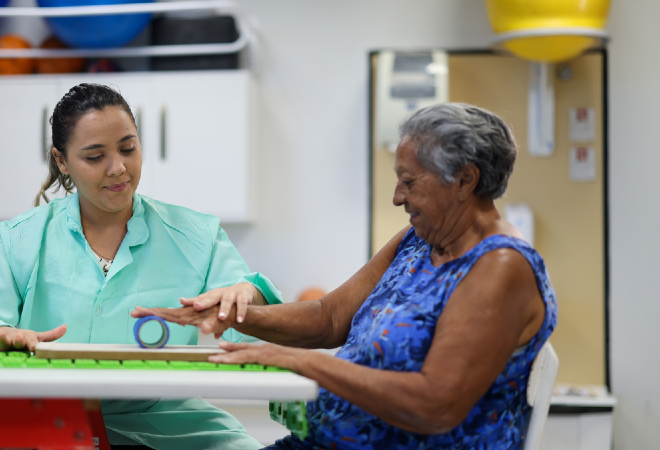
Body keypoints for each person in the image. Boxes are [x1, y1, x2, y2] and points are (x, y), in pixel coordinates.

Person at [133, 103, 558, 449]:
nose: (397, 197)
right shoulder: (417, 241)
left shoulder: (500, 267)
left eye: (408, 182)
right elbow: (329, 317)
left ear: (465, 180)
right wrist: (233, 316)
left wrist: (302, 363)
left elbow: (436, 405)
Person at [0, 83, 283, 450]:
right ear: (62, 161)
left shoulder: (197, 235)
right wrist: (0, 332)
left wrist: (249, 295)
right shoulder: (22, 237)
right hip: (43, 417)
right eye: (95, 156)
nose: (118, 168)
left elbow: (257, 328)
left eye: (128, 148)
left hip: (167, 421)